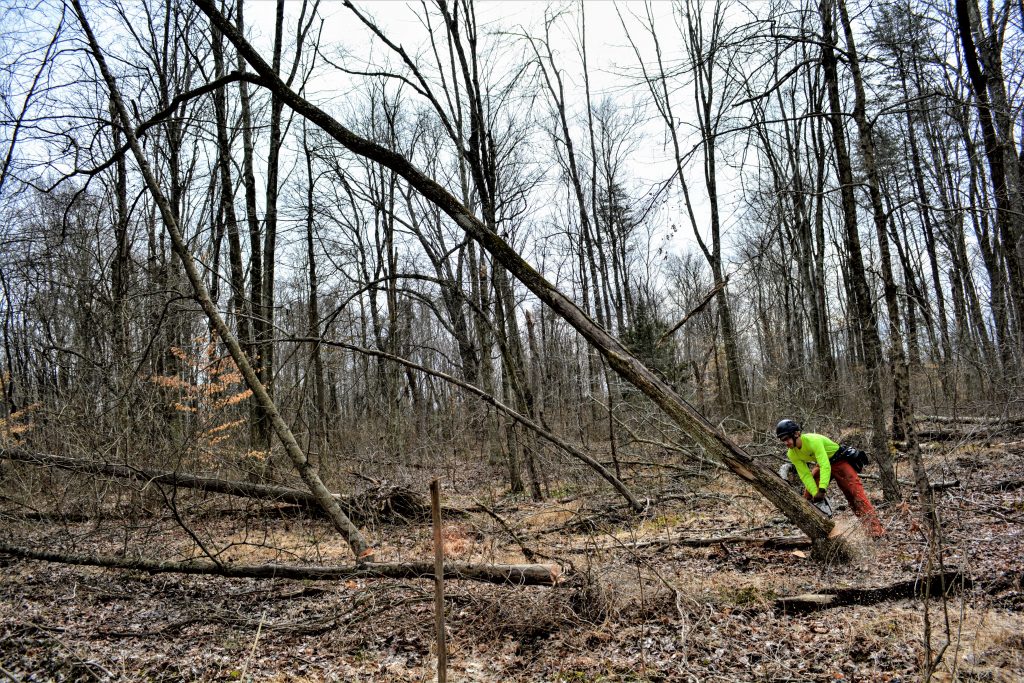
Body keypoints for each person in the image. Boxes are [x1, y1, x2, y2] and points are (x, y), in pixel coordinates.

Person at [775, 419, 885, 537]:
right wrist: (815, 492)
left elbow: (825, 464)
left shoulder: (813, 441)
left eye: (787, 438)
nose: (786, 443)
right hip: (822, 465)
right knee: (808, 496)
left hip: (838, 461)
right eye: (783, 440)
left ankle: (875, 532)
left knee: (855, 495)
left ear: (796, 434)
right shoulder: (791, 453)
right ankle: (818, 531)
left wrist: (822, 489)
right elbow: (805, 474)